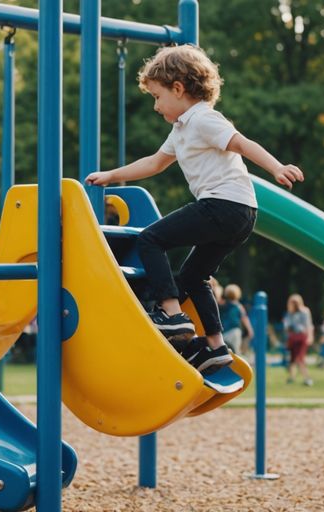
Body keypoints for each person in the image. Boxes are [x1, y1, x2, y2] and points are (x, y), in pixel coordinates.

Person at [85, 45, 304, 374]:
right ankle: (216, 348)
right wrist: (112, 175)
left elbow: (242, 143)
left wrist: (276, 167)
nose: (156, 106)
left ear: (178, 88)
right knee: (194, 276)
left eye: (158, 97)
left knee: (150, 240)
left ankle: (172, 315)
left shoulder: (203, 119)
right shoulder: (182, 128)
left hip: (224, 204)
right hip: (241, 213)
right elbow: (156, 163)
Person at [282, 294, 314, 386]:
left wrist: (310, 336)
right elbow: (287, 326)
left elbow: (308, 325)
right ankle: (291, 377)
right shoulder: (289, 313)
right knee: (292, 359)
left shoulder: (305, 311)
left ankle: (307, 378)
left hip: (301, 336)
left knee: (300, 358)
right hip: (293, 337)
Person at [218, 284, 253, 355]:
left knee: (224, 351)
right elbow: (244, 318)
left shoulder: (223, 304)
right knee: (236, 352)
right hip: (235, 331)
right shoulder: (239, 306)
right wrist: (250, 330)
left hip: (224, 332)